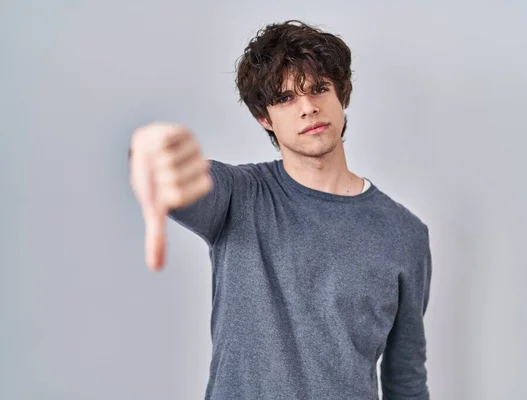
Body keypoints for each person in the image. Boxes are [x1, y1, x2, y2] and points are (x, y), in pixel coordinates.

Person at [129, 20, 432, 400]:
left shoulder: (405, 234)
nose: (308, 107)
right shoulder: (237, 196)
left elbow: (406, 381)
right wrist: (155, 155)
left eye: (320, 89)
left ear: (342, 98)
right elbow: (182, 181)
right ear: (264, 118)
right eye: (285, 98)